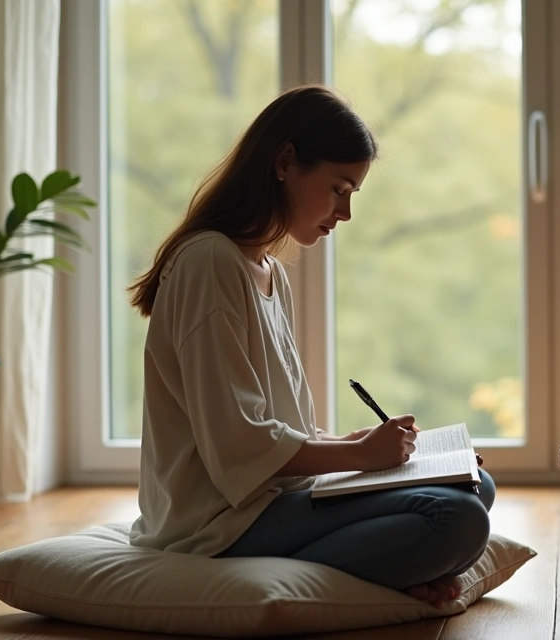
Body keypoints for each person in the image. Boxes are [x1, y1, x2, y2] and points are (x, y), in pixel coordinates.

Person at [126, 85, 494, 608]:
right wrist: (356, 456)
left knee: (477, 485)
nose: (344, 213)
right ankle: (377, 571)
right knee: (456, 517)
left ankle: (389, 566)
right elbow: (236, 444)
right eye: (339, 188)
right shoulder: (210, 262)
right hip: (218, 525)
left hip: (273, 501)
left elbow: (274, 423)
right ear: (284, 162)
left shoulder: (269, 271)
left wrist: (351, 445)